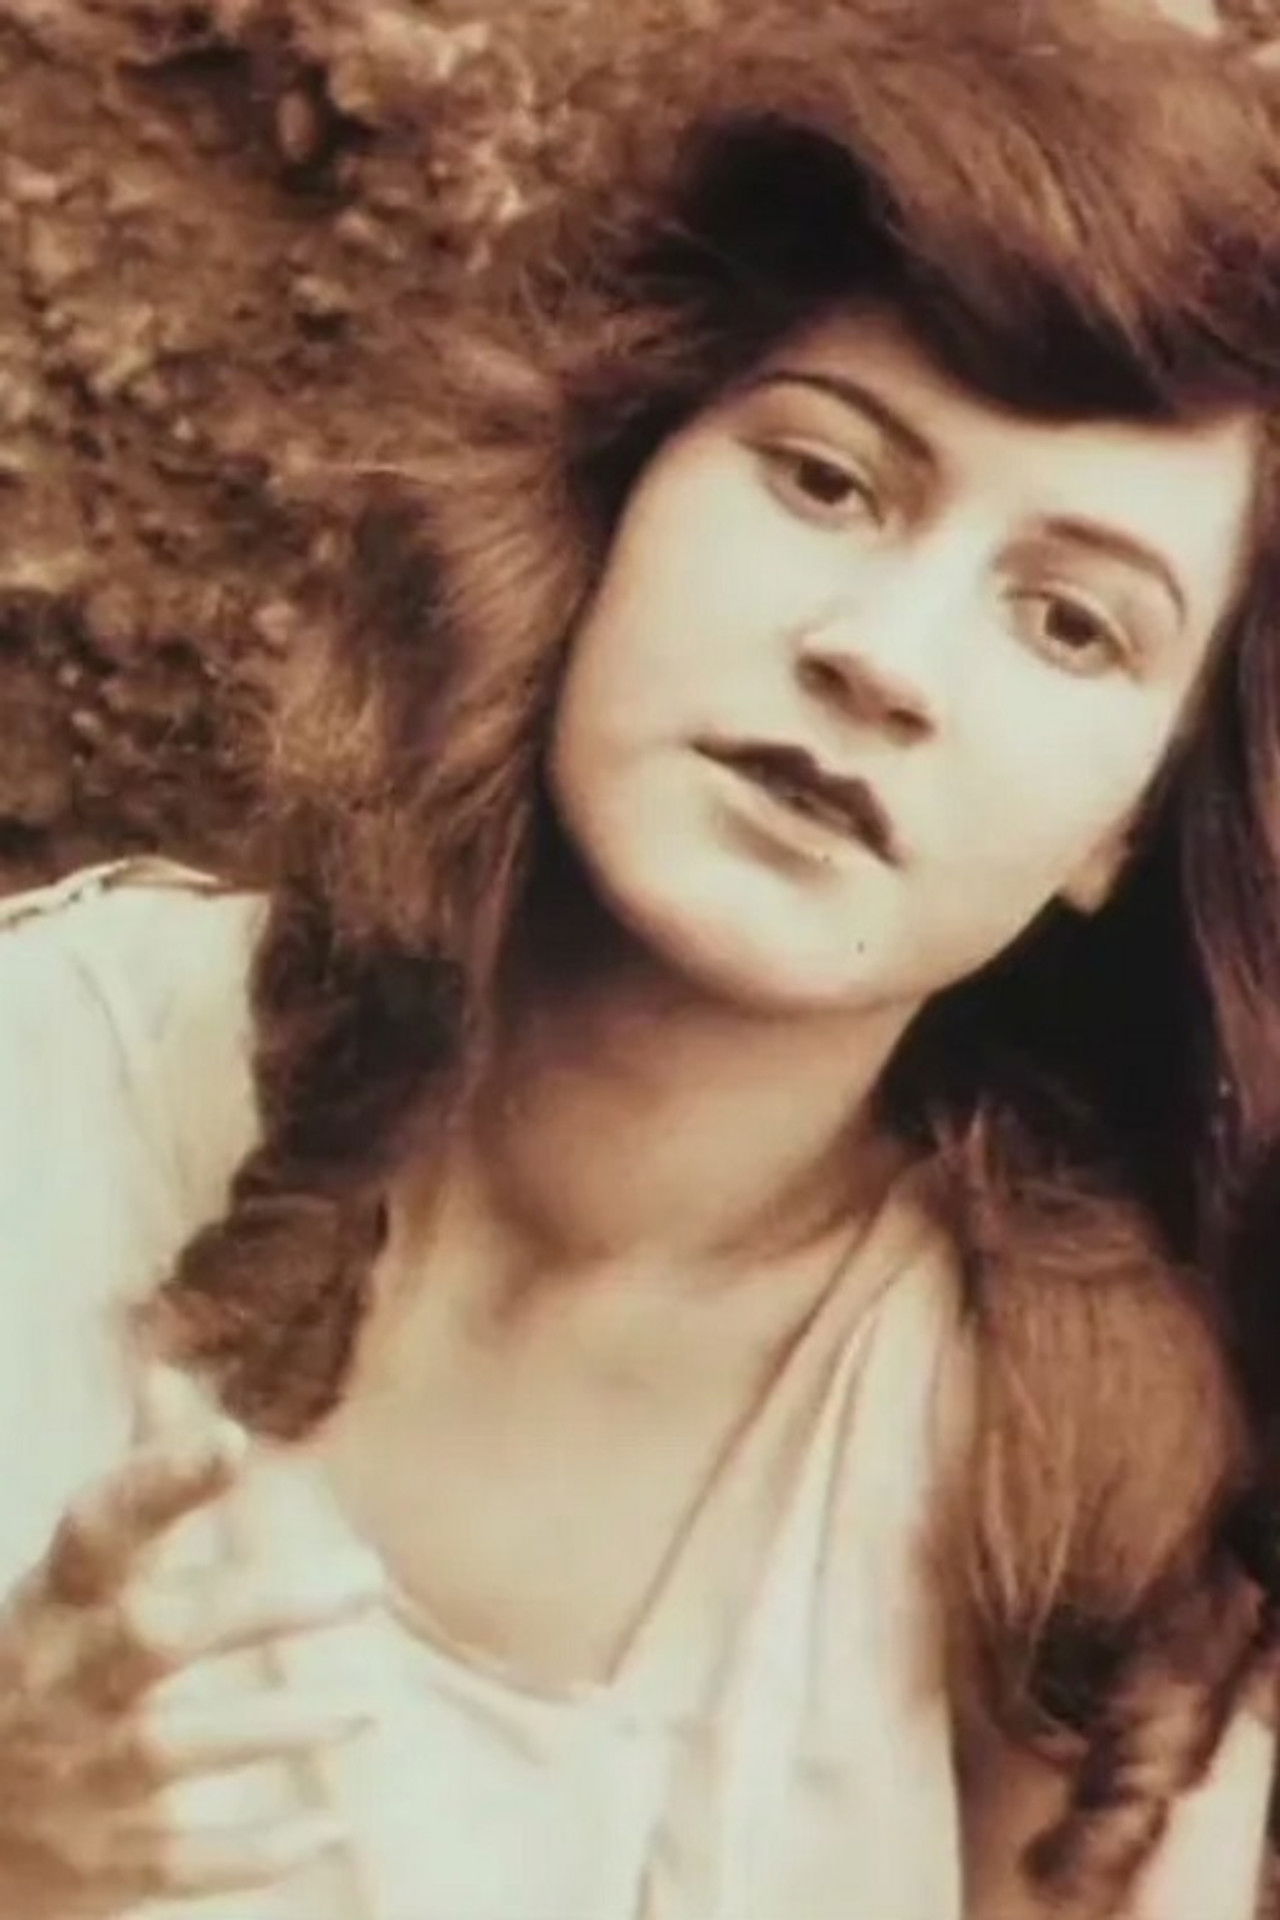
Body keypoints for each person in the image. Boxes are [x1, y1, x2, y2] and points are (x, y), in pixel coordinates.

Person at [3, 1, 1280, 1915]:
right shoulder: (50, 1076)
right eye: (826, 480)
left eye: (1072, 625)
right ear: (611, 487)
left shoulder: (1081, 1489)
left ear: (1130, 828)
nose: (884, 658)